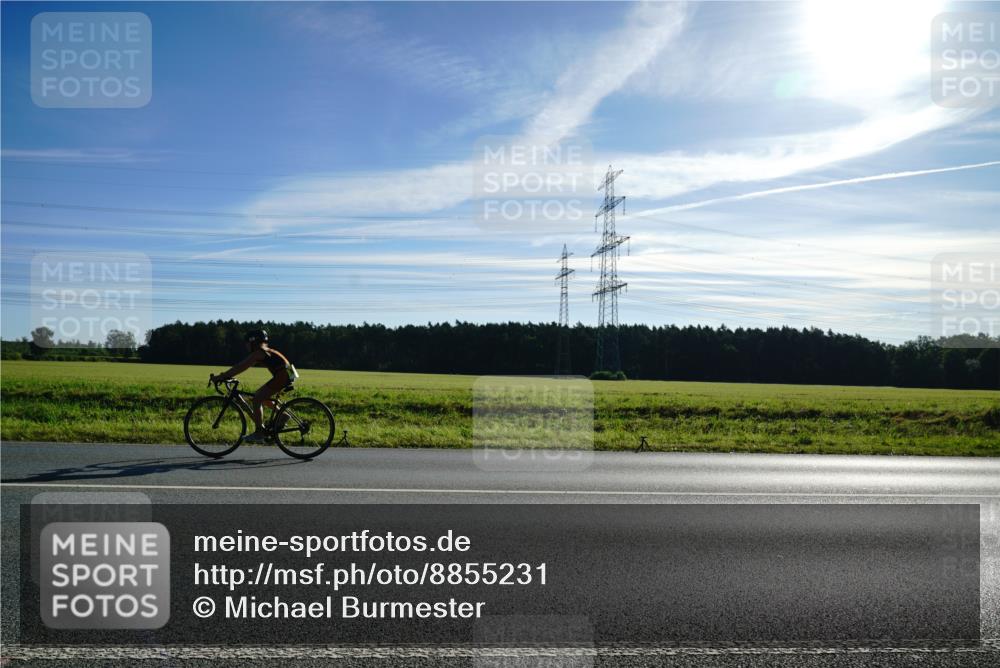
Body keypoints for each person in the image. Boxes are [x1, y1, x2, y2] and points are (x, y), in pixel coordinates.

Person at [211, 329, 299, 443]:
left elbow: (241, 366)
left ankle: (259, 432)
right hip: (288, 373)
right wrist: (226, 375)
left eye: (247, 343)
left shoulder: (259, 352)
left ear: (253, 342)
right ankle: (284, 415)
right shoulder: (264, 350)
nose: (246, 346)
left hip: (283, 375)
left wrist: (221, 376)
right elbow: (243, 366)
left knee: (257, 399)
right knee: (264, 398)